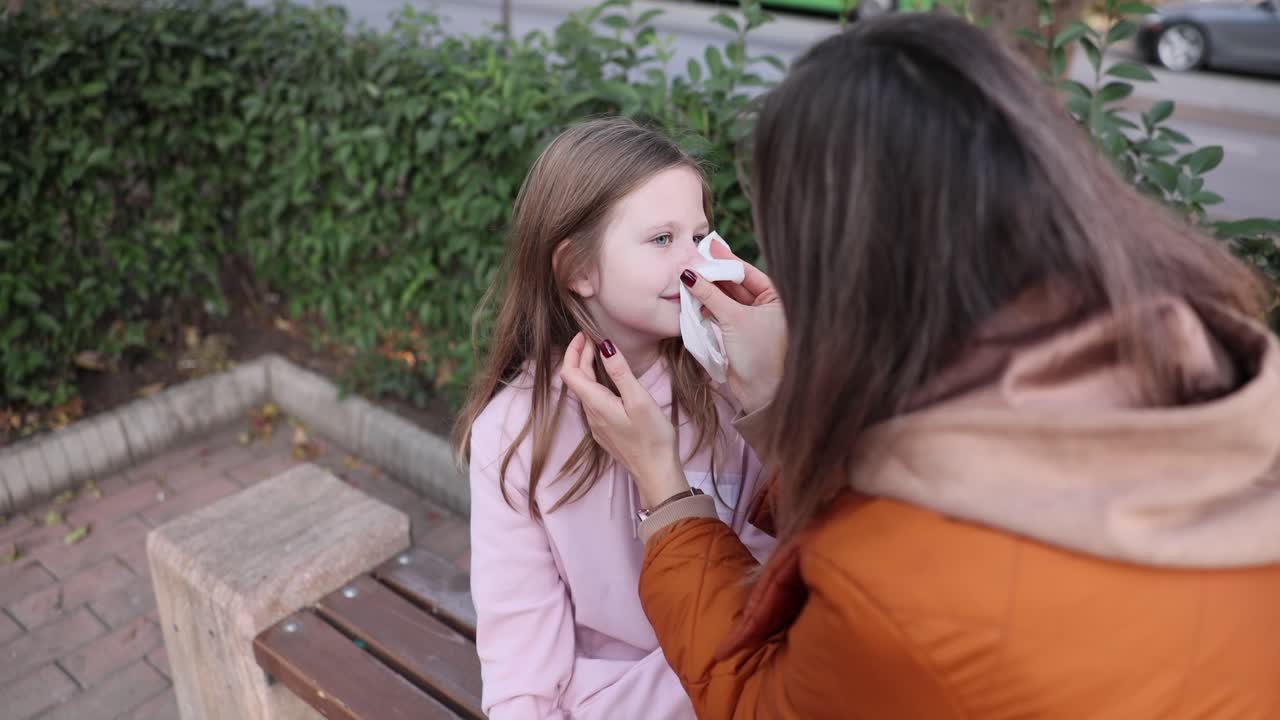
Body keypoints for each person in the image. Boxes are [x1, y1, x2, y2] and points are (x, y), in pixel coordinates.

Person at [560, 13, 1280, 719]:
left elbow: (760, 697)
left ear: (853, 268)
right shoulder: (1199, 369)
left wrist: (663, 487)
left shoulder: (899, 586)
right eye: (662, 238)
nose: (696, 258)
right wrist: (787, 400)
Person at [454, 118, 776, 719]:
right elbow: (519, 645)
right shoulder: (515, 430)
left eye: (701, 235)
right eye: (662, 240)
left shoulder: (729, 385)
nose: (696, 262)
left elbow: (773, 577)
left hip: (735, 688)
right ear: (578, 269)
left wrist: (776, 393)